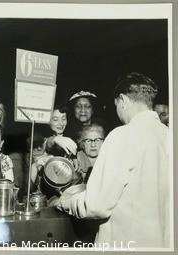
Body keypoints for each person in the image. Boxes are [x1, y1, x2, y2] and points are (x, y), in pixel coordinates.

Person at [56, 72, 170, 248]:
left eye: (116, 104)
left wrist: (64, 203)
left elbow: (95, 206)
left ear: (122, 100)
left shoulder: (122, 135)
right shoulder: (169, 136)